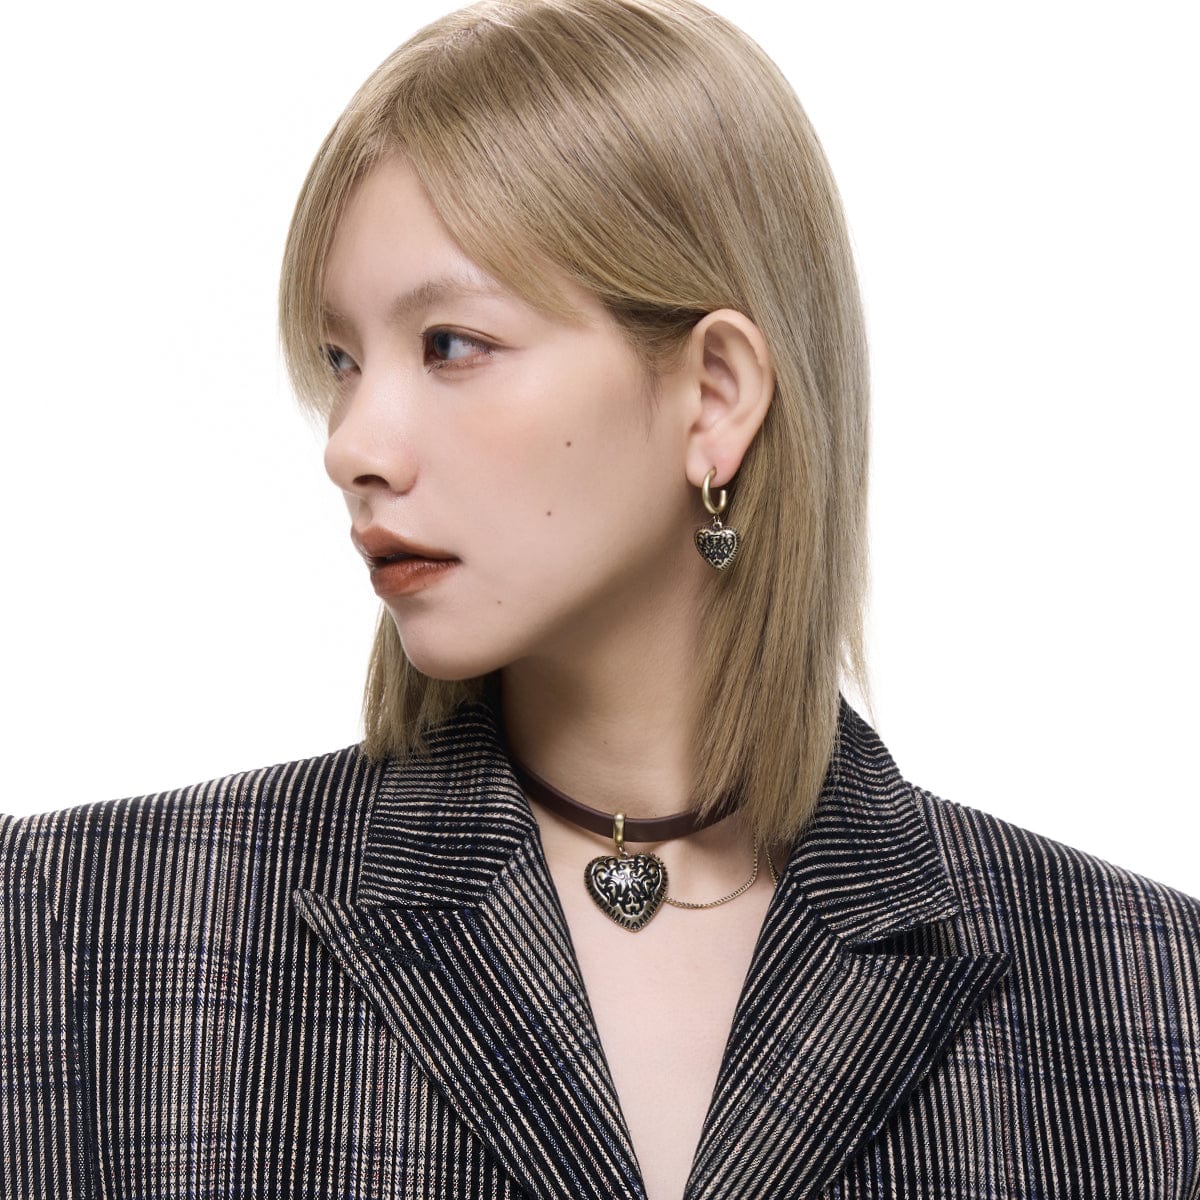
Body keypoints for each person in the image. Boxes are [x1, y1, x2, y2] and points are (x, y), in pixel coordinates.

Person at [2, 1, 1197, 1198]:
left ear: (714, 394)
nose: (352, 444)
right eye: (341, 361)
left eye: (452, 344)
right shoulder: (88, 929)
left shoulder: (1150, 996)